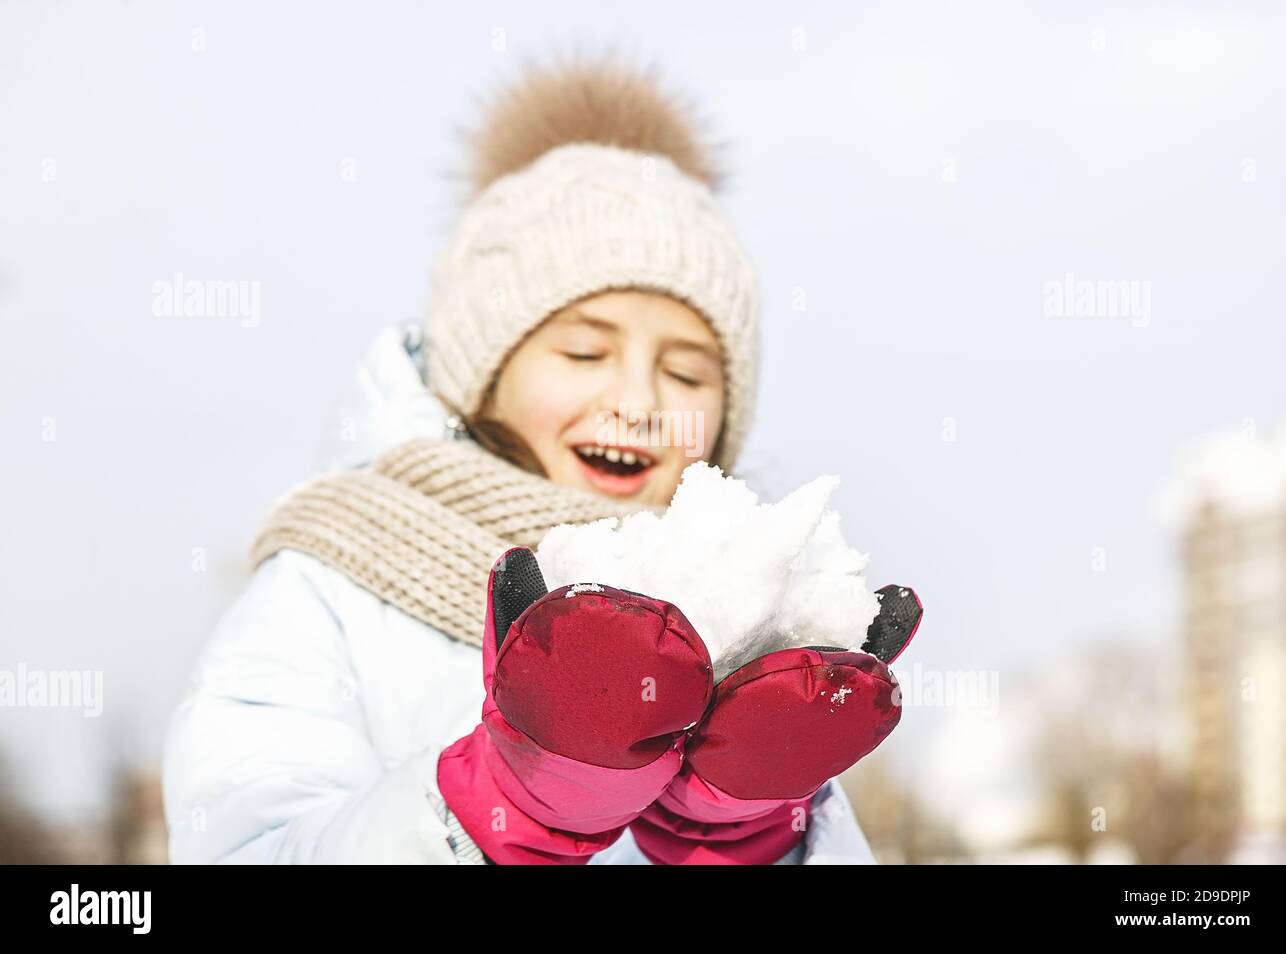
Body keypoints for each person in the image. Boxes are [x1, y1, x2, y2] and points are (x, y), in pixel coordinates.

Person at [161, 55, 891, 864]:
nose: (640, 399)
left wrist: (758, 835)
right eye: (584, 353)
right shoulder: (334, 582)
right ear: (487, 372)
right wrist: (495, 810)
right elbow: (243, 841)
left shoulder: (749, 626)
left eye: (687, 372)